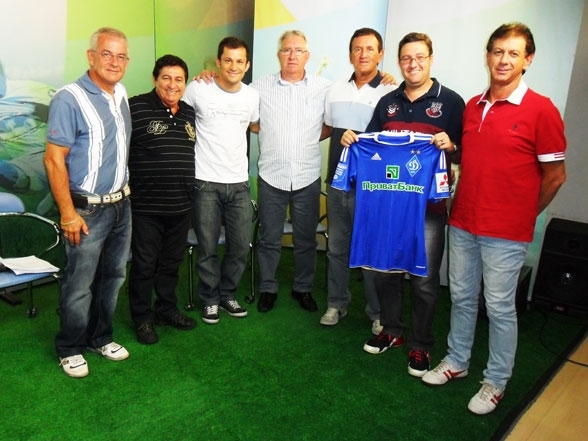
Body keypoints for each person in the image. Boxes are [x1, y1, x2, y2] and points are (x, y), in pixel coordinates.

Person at [422, 23, 566, 415]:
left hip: (506, 231)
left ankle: (496, 381)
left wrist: (523, 214)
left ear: (527, 60)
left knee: (499, 307)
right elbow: (467, 159)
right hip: (464, 221)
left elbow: (556, 176)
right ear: (488, 56)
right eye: (498, 51)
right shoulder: (473, 106)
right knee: (462, 297)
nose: (504, 60)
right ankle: (457, 361)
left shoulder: (542, 110)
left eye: (513, 53)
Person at [341, 32, 464, 378]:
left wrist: (452, 146)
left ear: (431, 59)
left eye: (420, 57)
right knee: (386, 272)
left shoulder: (452, 102)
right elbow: (369, 142)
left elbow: (467, 151)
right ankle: (392, 330)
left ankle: (420, 344)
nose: (413, 64)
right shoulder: (387, 103)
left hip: (428, 210)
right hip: (388, 208)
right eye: (407, 58)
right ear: (399, 62)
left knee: (424, 280)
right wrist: (352, 140)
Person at [44, 27, 132, 378]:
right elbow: (54, 159)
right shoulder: (69, 98)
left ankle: (100, 338)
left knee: (113, 276)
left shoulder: (121, 93)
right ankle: (70, 347)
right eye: (107, 54)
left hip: (122, 206)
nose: (114, 62)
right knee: (80, 284)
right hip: (86, 210)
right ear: (91, 56)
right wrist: (68, 213)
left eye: (121, 56)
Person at [320, 28, 397, 334]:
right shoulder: (336, 88)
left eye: (369, 49)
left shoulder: (391, 91)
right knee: (337, 248)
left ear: (380, 54)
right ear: (350, 54)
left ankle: (376, 312)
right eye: (357, 49)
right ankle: (336, 303)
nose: (363, 54)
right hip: (338, 182)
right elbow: (329, 128)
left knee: (370, 251)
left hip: (372, 188)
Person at [251, 30, 331, 313]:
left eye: (298, 50)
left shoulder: (324, 88)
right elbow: (250, 120)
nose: (292, 55)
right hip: (271, 175)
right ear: (278, 55)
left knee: (305, 239)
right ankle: (268, 288)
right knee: (269, 238)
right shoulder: (259, 87)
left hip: (307, 176)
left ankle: (303, 288)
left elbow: (330, 124)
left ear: (307, 55)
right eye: (287, 50)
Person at [182, 36, 259, 324]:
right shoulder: (198, 88)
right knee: (208, 247)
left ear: (247, 65)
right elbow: (180, 118)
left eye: (239, 61)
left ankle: (228, 295)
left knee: (239, 246)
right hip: (205, 182)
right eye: (228, 60)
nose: (233, 66)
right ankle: (210, 300)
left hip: (239, 183)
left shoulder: (251, 96)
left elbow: (253, 125)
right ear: (218, 62)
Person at [127, 55, 197, 344]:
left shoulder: (189, 112)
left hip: (181, 206)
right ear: (155, 79)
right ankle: (142, 318)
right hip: (146, 207)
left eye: (179, 79)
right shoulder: (135, 107)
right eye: (166, 78)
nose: (172, 84)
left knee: (171, 263)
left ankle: (166, 310)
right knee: (145, 265)